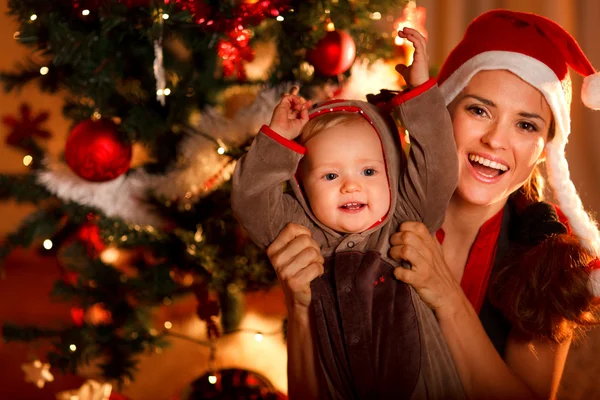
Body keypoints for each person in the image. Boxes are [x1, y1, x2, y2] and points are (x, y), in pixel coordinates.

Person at [266, 9, 600, 400]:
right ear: (441, 114)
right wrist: (301, 309)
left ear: (544, 150)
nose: (495, 140)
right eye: (479, 110)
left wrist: (445, 293)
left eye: (526, 125)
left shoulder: (555, 257)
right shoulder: (361, 209)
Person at [232, 28, 465, 399]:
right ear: (303, 187)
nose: (351, 186)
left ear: (391, 172)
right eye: (330, 175)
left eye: (369, 171)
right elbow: (249, 200)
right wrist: (277, 139)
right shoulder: (300, 232)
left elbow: (438, 165)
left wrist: (420, 90)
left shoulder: (407, 218)